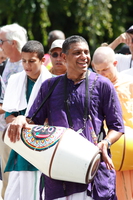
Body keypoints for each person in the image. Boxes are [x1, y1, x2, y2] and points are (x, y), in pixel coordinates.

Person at [6, 35, 124, 200]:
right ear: (64, 56)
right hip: (59, 171)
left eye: (86, 52)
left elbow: (117, 127)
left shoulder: (103, 85)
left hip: (93, 168)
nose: (84, 57)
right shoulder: (49, 86)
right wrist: (21, 119)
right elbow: (34, 121)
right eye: (77, 53)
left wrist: (106, 142)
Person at [2, 40, 52, 200]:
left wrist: (24, 121)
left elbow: (50, 118)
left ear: (42, 60)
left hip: (40, 142)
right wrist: (17, 121)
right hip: (18, 141)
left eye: (31, 61)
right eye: (24, 61)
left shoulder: (52, 83)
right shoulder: (15, 80)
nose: (27, 65)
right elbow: (8, 115)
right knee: (12, 191)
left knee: (33, 191)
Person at [92, 46, 133, 200]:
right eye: (98, 71)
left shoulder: (129, 83)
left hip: (130, 147)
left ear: (115, 63)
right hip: (108, 150)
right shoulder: (94, 88)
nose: (102, 74)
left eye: (105, 70)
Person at [0, 23, 28, 198]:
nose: (0, 45)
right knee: (6, 176)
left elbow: (21, 103)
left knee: (16, 179)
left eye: (1, 41)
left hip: (18, 131)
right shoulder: (8, 62)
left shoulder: (26, 66)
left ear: (13, 43)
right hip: (4, 130)